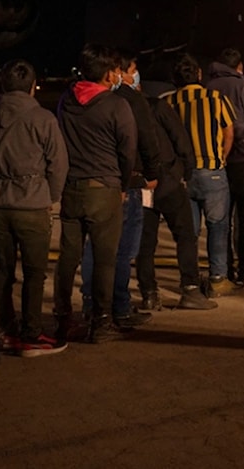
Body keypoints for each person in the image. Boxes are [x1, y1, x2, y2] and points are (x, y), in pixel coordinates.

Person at [0, 59, 69, 357]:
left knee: (3, 271)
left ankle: (8, 330)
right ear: (33, 86)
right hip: (32, 202)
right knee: (34, 273)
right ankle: (31, 334)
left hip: (1, 202)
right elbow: (58, 165)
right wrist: (50, 197)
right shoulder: (42, 118)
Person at [54, 44, 138, 344]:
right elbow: (127, 151)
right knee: (105, 259)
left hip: (72, 187)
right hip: (104, 188)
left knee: (68, 257)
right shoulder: (116, 105)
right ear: (105, 73)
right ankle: (101, 321)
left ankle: (62, 317)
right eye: (114, 70)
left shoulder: (66, 101)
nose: (117, 74)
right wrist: (123, 185)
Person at [80, 50, 161, 327]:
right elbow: (141, 142)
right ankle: (119, 306)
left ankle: (91, 304)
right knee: (123, 249)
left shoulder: (74, 101)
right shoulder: (126, 101)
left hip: (85, 184)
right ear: (115, 72)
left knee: (94, 248)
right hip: (123, 183)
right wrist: (149, 174)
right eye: (129, 69)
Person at [136, 83, 215, 310]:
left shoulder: (120, 108)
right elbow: (180, 140)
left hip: (141, 185)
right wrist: (185, 172)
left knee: (146, 241)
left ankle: (149, 292)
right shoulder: (155, 106)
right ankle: (190, 287)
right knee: (185, 235)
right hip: (167, 179)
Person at [168, 53, 236, 289]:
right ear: (198, 75)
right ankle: (218, 277)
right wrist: (221, 158)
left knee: (189, 232)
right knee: (217, 226)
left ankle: (190, 279)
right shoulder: (216, 99)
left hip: (183, 174)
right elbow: (229, 132)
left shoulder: (169, 102)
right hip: (212, 169)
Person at [206, 48, 244, 288]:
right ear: (238, 67)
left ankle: (224, 269)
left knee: (221, 219)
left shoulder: (208, 86)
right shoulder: (243, 87)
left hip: (218, 159)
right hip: (243, 158)